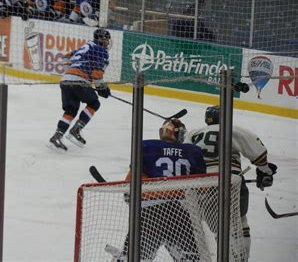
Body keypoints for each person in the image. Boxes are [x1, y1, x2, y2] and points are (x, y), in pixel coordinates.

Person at [184, 105, 278, 258]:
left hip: (202, 186)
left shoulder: (193, 133)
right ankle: (240, 258)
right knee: (239, 224)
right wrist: (265, 171)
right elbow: (258, 153)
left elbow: (184, 155)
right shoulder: (232, 129)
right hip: (231, 183)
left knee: (218, 227)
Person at [112, 118, 206, 261]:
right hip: (180, 213)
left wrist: (129, 194)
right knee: (191, 259)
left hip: (150, 213)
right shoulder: (193, 151)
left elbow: (130, 183)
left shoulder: (146, 146)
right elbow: (202, 188)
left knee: (132, 258)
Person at [48, 28, 111, 152]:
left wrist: (73, 69)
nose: (107, 42)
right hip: (79, 81)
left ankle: (57, 136)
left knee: (71, 110)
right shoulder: (101, 50)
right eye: (106, 40)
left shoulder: (86, 46)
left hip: (66, 79)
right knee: (94, 103)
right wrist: (102, 88)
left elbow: (65, 58)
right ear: (101, 39)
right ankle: (76, 130)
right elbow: (97, 73)